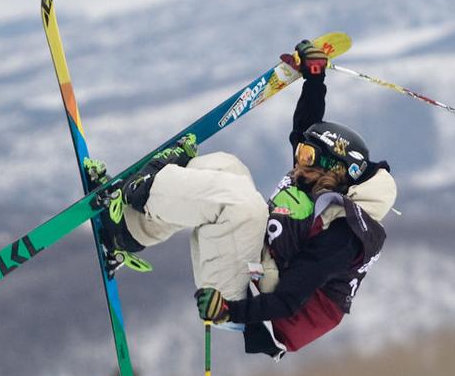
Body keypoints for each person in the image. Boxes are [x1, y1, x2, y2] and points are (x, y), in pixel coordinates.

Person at [90, 40, 397, 359]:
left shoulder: (343, 234)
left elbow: (291, 300)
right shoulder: (321, 185)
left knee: (243, 205)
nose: (298, 159)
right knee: (228, 167)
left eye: (307, 156)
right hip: (257, 273)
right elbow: (304, 128)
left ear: (334, 169)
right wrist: (315, 79)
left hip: (258, 310)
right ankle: (126, 230)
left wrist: (227, 310)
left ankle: (146, 188)